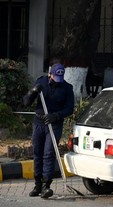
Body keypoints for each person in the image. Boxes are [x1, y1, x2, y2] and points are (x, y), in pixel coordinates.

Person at [22, 63, 74, 198]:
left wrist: (56, 115)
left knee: (49, 154)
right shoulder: (41, 82)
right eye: (55, 77)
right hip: (39, 122)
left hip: (54, 124)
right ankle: (37, 185)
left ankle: (46, 186)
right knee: (37, 153)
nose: (57, 81)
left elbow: (69, 109)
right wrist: (32, 92)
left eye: (60, 78)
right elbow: (26, 102)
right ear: (50, 73)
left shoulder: (67, 88)